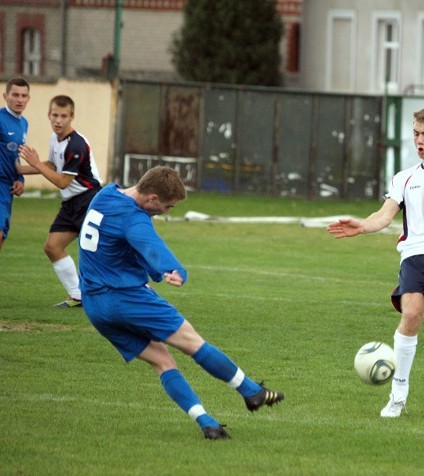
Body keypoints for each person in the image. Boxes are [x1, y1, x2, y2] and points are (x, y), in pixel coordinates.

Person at [77, 166, 284, 440]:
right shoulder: (135, 218)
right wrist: (174, 269)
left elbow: (120, 243)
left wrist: (153, 272)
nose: (166, 212)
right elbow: (151, 244)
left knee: (162, 361)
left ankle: (207, 423)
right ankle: (251, 391)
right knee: (193, 343)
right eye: (166, 206)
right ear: (151, 198)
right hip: (125, 297)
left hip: (95, 305)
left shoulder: (105, 195)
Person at [327, 106, 424, 418]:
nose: (420, 140)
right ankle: (397, 396)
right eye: (416, 134)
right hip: (414, 254)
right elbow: (385, 214)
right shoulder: (403, 177)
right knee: (411, 315)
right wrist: (361, 225)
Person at [17, 95, 102, 308]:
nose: (58, 120)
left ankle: (141, 290)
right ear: (48, 115)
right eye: (55, 115)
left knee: (100, 253)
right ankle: (78, 295)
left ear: (71, 117)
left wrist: (35, 163)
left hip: (90, 200)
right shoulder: (55, 139)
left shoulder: (77, 145)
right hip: (71, 203)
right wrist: (20, 170)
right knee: (52, 246)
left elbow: (63, 181)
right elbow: (53, 165)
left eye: (64, 116)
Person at [0, 77, 30, 252]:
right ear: (5, 96)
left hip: (8, 188)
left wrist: (20, 178)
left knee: (3, 234)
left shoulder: (24, 123)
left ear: (28, 98)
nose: (20, 100)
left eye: (23, 96)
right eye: (15, 95)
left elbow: (16, 155)